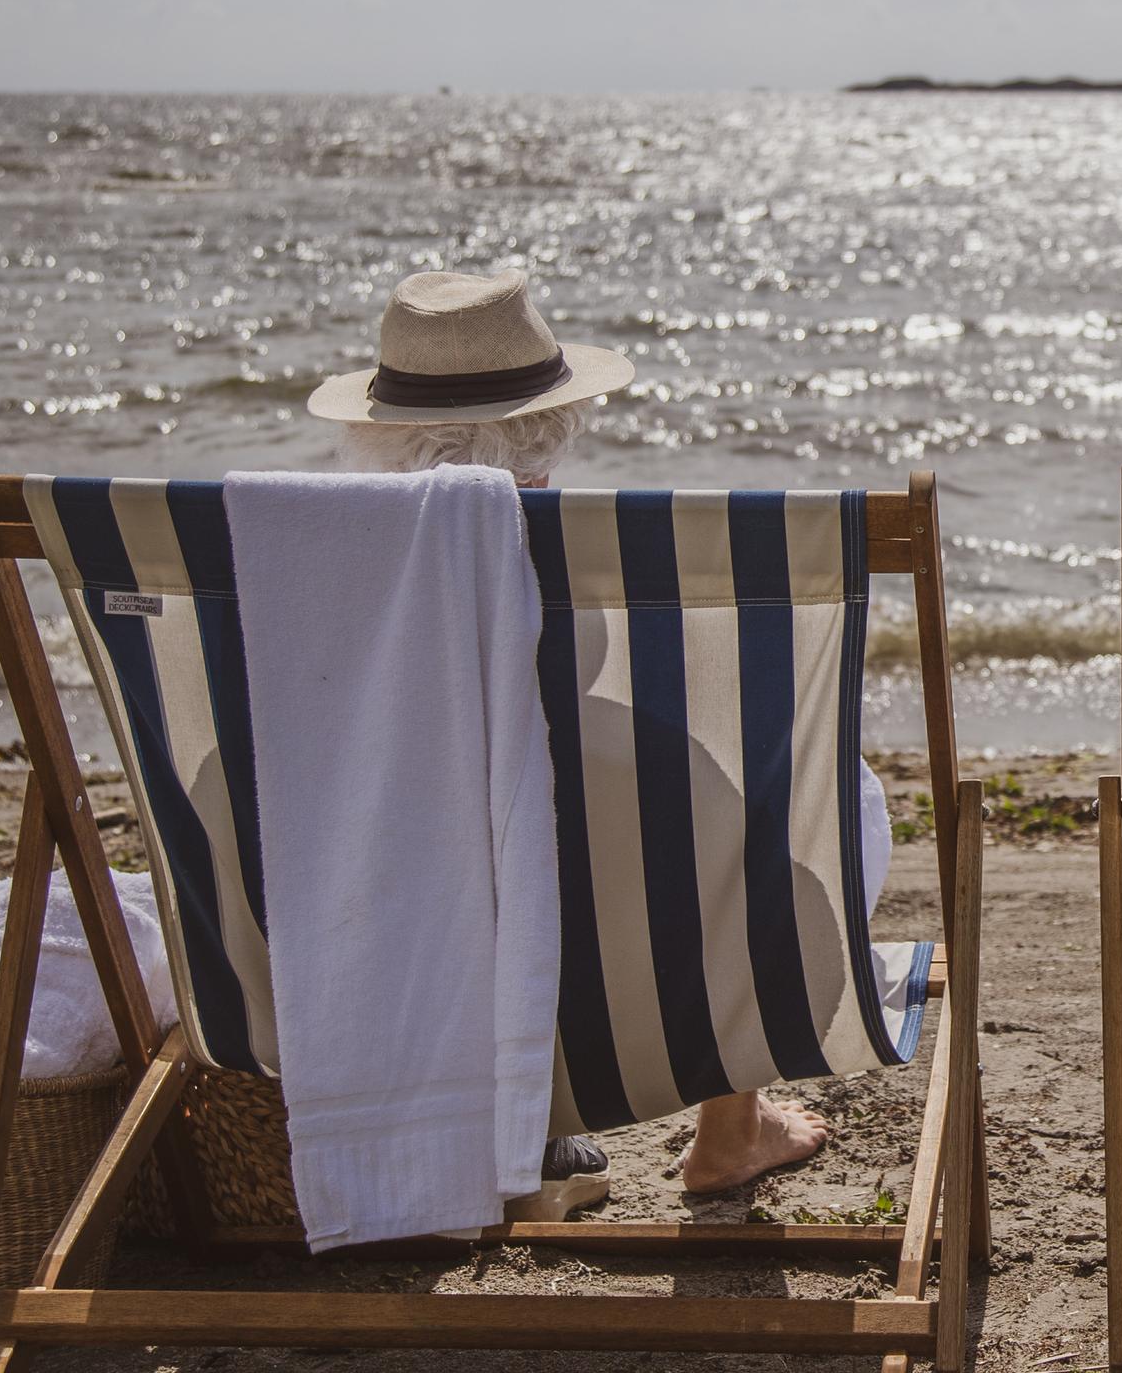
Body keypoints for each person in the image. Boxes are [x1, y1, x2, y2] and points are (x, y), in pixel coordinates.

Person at [308, 266, 890, 1205]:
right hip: (630, 986)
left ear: (379, 428)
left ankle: (468, 1124)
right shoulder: (586, 566)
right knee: (826, 798)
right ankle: (731, 1129)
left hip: (378, 957)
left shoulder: (294, 569)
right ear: (548, 420)